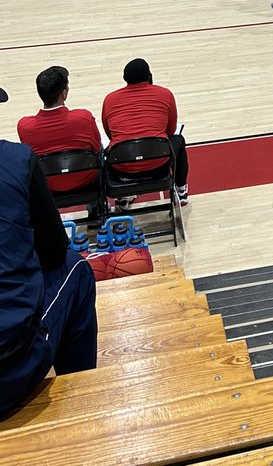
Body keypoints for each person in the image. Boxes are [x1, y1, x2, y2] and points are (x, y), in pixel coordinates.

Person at [0, 96, 98, 421]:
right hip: (9, 373)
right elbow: (54, 251)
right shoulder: (16, 160)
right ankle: (82, 405)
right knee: (77, 268)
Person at [102, 58, 189, 206]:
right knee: (179, 140)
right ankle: (181, 190)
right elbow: (171, 130)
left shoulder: (110, 99)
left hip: (122, 168)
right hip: (159, 163)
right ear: (149, 76)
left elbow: (110, 134)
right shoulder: (165, 94)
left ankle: (123, 196)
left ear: (124, 78)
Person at [17, 66, 101, 196]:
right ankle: (96, 206)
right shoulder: (84, 117)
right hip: (85, 179)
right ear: (64, 93)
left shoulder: (24, 126)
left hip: (47, 185)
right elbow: (96, 149)